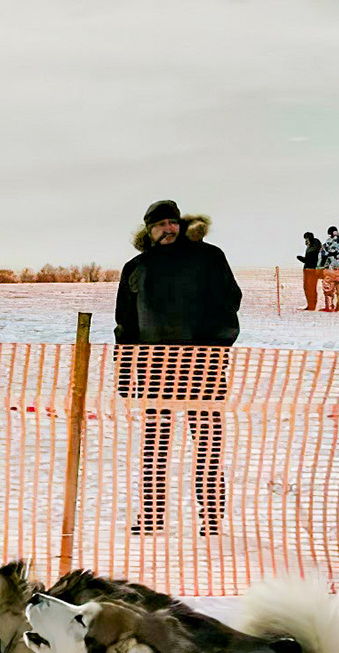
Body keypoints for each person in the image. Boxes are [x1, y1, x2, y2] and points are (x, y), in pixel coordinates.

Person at [113, 199, 241, 536]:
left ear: (181, 224)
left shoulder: (208, 257)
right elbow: (125, 324)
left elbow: (229, 302)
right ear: (149, 231)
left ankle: (212, 519)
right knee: (155, 446)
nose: (168, 229)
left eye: (172, 222)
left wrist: (216, 349)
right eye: (160, 225)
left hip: (204, 368)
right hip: (155, 371)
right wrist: (126, 370)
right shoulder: (136, 267)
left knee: (208, 445)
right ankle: (152, 516)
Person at [319, 226, 339, 311]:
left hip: (330, 267)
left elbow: (323, 254)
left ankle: (329, 306)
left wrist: (321, 265)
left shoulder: (327, 243)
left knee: (328, 288)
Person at [298, 232, 321, 310]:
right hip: (309, 268)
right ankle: (310, 305)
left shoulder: (313, 247)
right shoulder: (312, 247)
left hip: (311, 269)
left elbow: (312, 260)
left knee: (310, 288)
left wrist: (304, 260)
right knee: (307, 287)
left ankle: (311, 306)